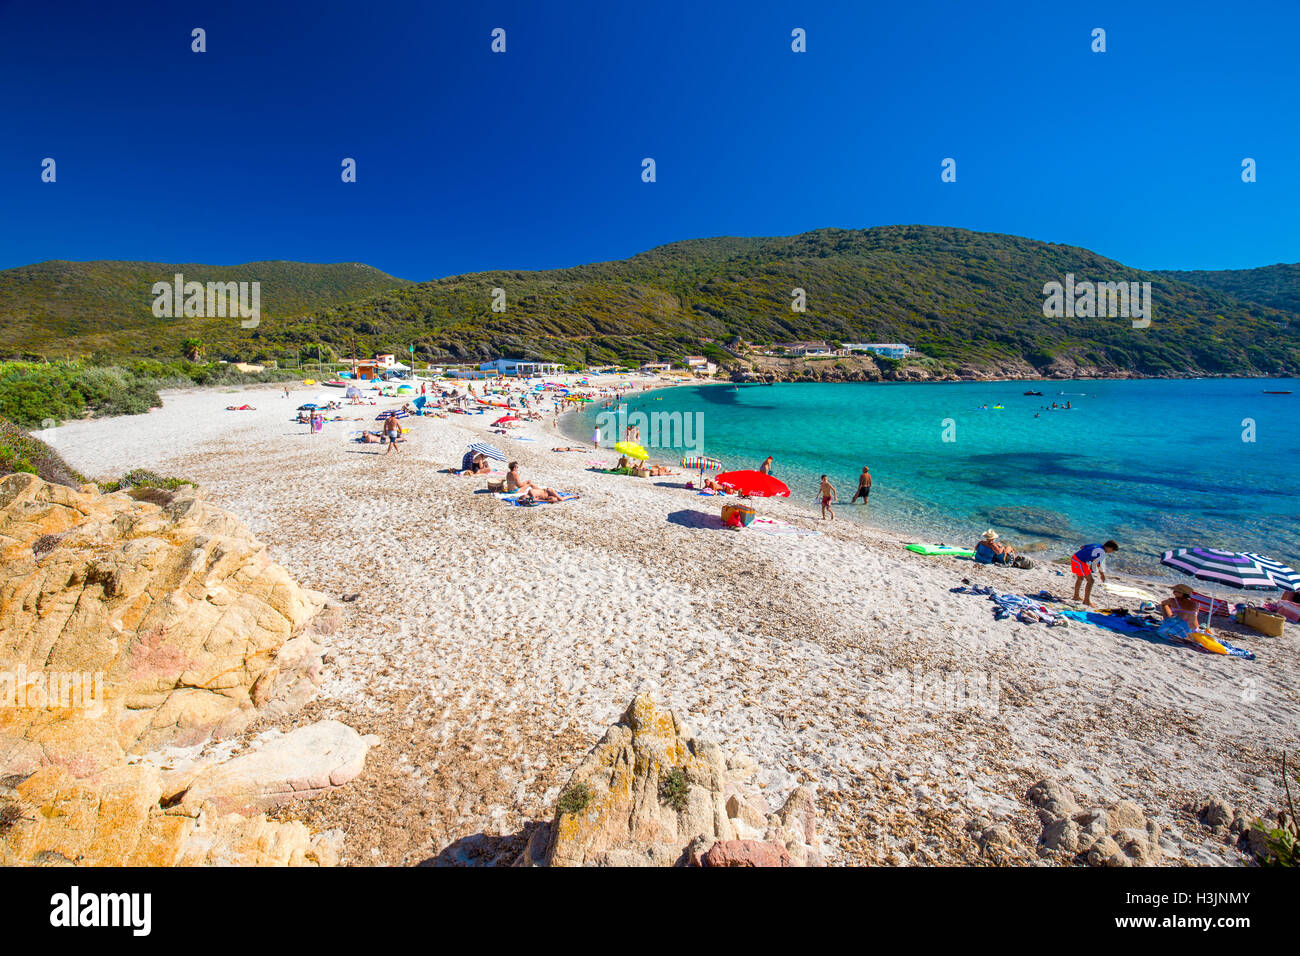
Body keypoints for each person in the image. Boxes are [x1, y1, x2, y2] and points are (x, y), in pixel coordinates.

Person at [1071, 540, 1118, 607]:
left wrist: (1090, 557)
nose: (1111, 552)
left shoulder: (1096, 544)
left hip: (1075, 558)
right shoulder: (1102, 552)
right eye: (1112, 550)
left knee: (1080, 577)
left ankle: (1076, 596)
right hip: (1079, 561)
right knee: (1091, 581)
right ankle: (1086, 601)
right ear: (1109, 547)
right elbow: (1099, 565)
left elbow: (1082, 547)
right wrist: (1102, 576)